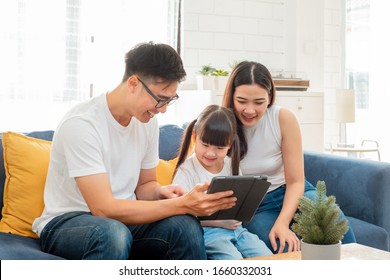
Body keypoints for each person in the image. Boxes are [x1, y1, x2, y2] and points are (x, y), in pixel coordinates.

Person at [32, 42, 237, 260]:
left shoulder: (147, 122)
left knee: (184, 225)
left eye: (170, 100)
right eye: (160, 99)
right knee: (111, 233)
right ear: (133, 83)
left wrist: (161, 192)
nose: (164, 109)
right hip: (68, 222)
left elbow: (145, 186)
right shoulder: (83, 124)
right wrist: (180, 204)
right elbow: (104, 209)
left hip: (123, 223)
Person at [221, 61, 356, 254]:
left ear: (269, 97)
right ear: (231, 97)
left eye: (259, 102)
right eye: (242, 101)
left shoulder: (283, 118)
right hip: (258, 206)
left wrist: (283, 223)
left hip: (294, 192)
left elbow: (295, 181)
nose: (250, 110)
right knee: (279, 244)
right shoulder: (222, 123)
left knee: (331, 220)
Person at [172, 104, 272, 259]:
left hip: (238, 230)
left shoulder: (230, 164)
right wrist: (219, 223)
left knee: (268, 258)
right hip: (209, 233)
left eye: (219, 148)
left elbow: (239, 202)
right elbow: (181, 216)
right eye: (205, 145)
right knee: (232, 260)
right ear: (194, 137)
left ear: (230, 144)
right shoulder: (187, 171)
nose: (211, 153)